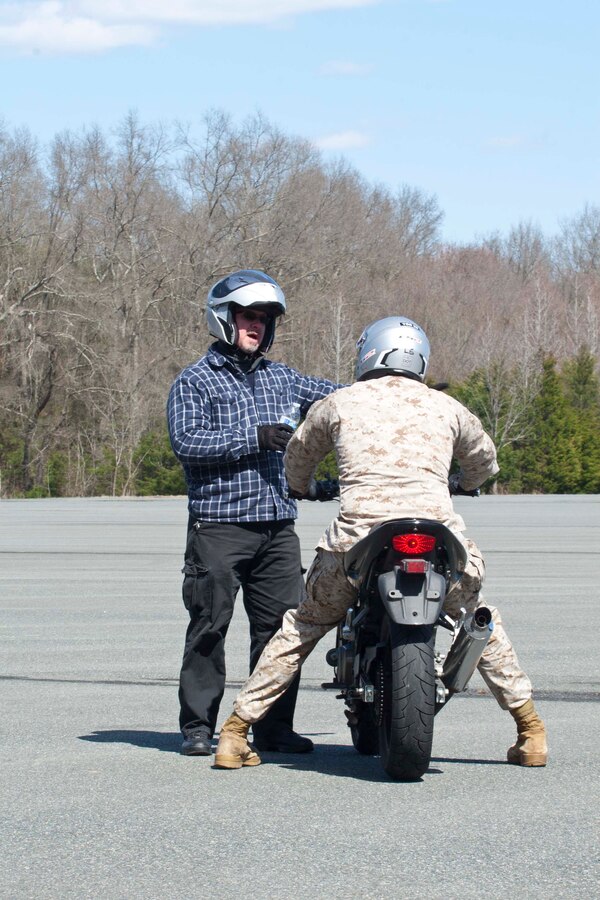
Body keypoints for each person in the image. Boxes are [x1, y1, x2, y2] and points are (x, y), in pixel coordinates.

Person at [215, 315, 548, 770]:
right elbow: (485, 461)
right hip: (439, 541)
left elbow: (297, 457)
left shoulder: (338, 403)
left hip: (356, 542)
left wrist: (301, 486)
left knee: (302, 625)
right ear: (420, 360)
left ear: (368, 353)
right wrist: (461, 481)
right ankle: (530, 730)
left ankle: (235, 733)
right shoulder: (446, 407)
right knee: (477, 617)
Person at [167, 269, 343, 756]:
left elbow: (340, 396)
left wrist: (398, 389)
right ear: (224, 319)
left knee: (283, 631)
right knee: (209, 626)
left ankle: (271, 727)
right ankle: (198, 728)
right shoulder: (195, 381)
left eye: (265, 320)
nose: (258, 327)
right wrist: (254, 438)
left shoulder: (282, 377)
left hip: (277, 529)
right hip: (219, 527)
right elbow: (187, 443)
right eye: (249, 317)